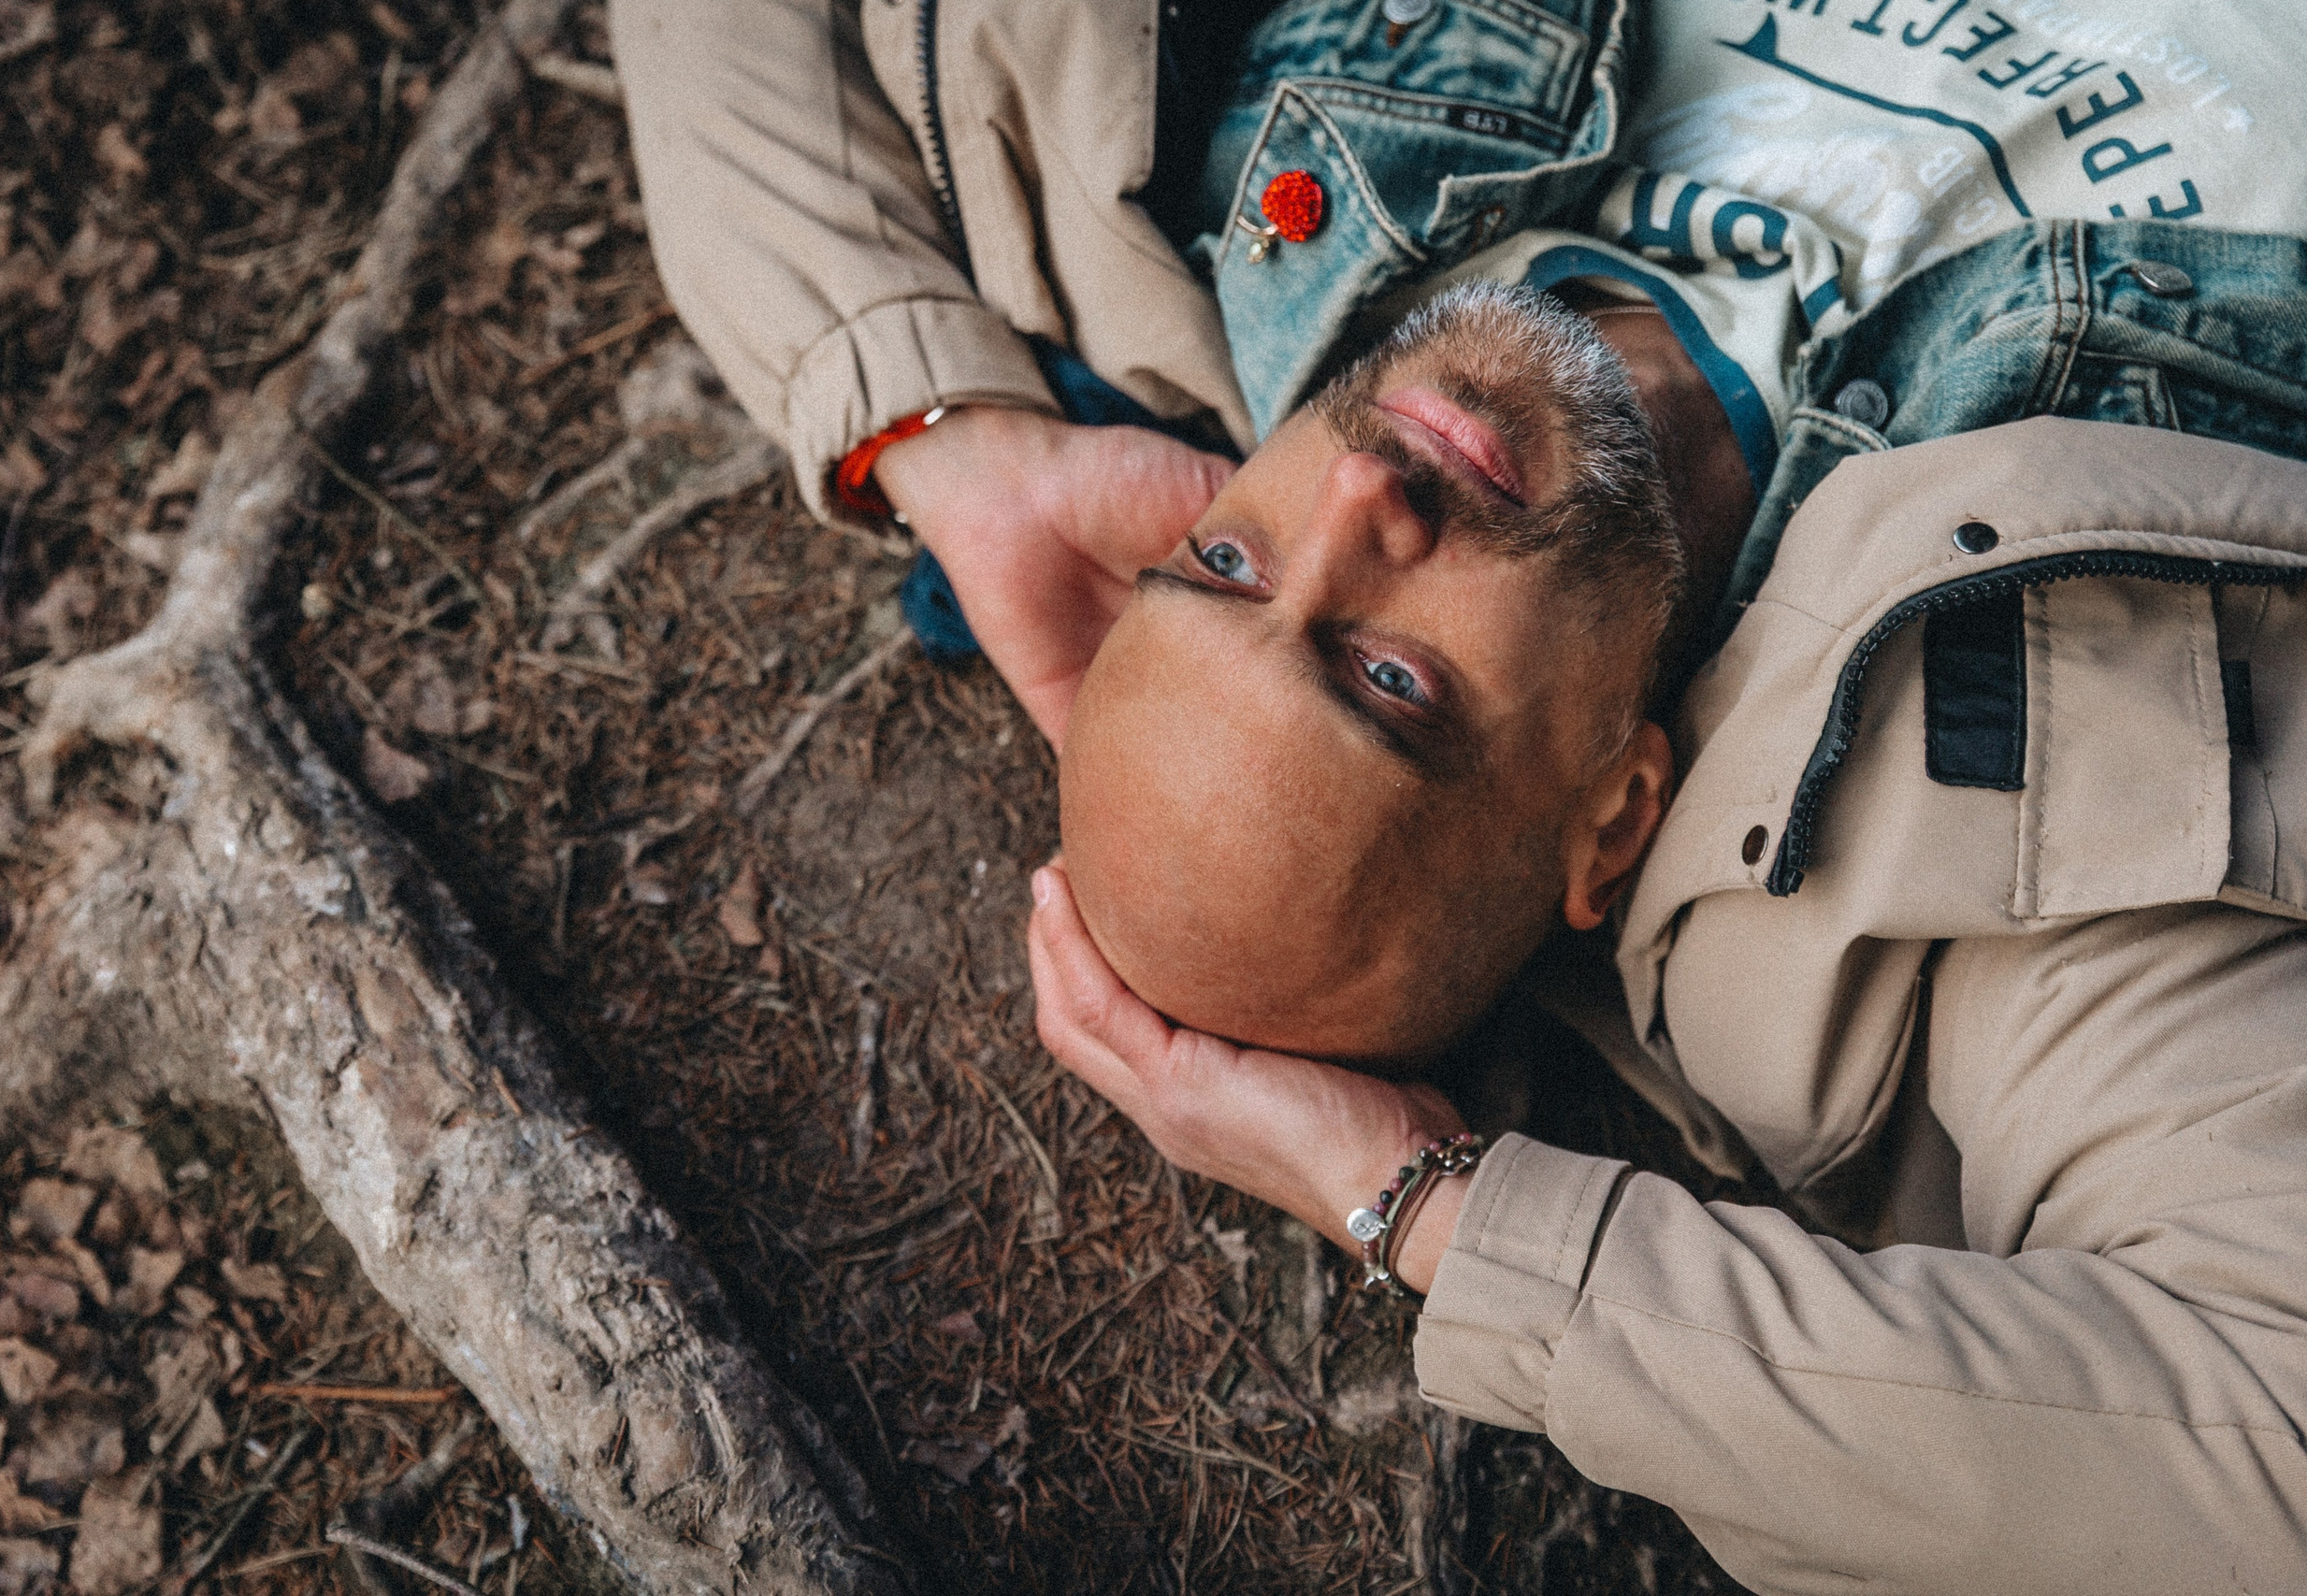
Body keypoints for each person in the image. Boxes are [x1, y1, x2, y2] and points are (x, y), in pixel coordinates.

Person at [614, 0, 2307, 1586]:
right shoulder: (1983, 834)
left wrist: (941, 430)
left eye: (1224, 561)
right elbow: (2263, 1451)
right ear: (1615, 819)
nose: (1358, 488)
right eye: (1391, 680)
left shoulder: (1194, 226)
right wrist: (1431, 1210)